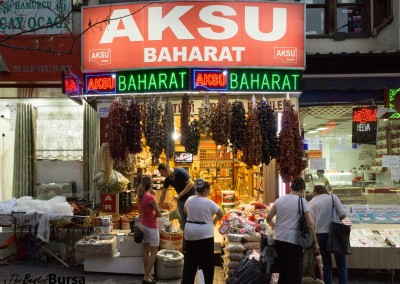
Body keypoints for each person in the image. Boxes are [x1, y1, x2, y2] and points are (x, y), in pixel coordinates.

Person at [266, 177, 319, 284]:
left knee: (283, 270)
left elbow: (268, 218)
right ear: (302, 189)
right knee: (295, 272)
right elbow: (310, 223)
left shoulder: (279, 200)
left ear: (290, 187)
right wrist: (315, 242)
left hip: (279, 239)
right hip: (293, 241)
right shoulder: (301, 201)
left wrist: (275, 226)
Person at [181, 178, 223, 284]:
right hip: (205, 234)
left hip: (190, 233)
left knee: (190, 263)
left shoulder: (190, 199)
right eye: (209, 190)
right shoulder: (209, 202)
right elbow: (220, 213)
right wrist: (214, 220)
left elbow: (185, 209)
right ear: (205, 190)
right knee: (207, 264)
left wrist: (194, 213)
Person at [309, 185, 347, 284]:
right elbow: (342, 215)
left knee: (326, 264)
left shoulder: (312, 202)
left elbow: (311, 224)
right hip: (336, 234)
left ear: (315, 192)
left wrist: (314, 241)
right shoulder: (333, 197)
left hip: (320, 235)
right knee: (341, 265)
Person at [137, 176, 162, 284]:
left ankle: (148, 275)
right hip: (151, 226)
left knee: (146, 250)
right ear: (151, 185)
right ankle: (146, 277)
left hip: (143, 225)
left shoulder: (141, 196)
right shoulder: (150, 198)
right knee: (154, 251)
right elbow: (159, 213)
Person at [158, 163, 195, 231]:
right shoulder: (168, 179)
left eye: (162, 173)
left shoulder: (181, 172)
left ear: (166, 170)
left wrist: (180, 194)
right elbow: (163, 192)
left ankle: (190, 236)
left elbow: (191, 184)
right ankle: (184, 236)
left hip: (190, 198)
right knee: (182, 220)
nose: (161, 175)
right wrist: (160, 206)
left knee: (191, 219)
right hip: (181, 199)